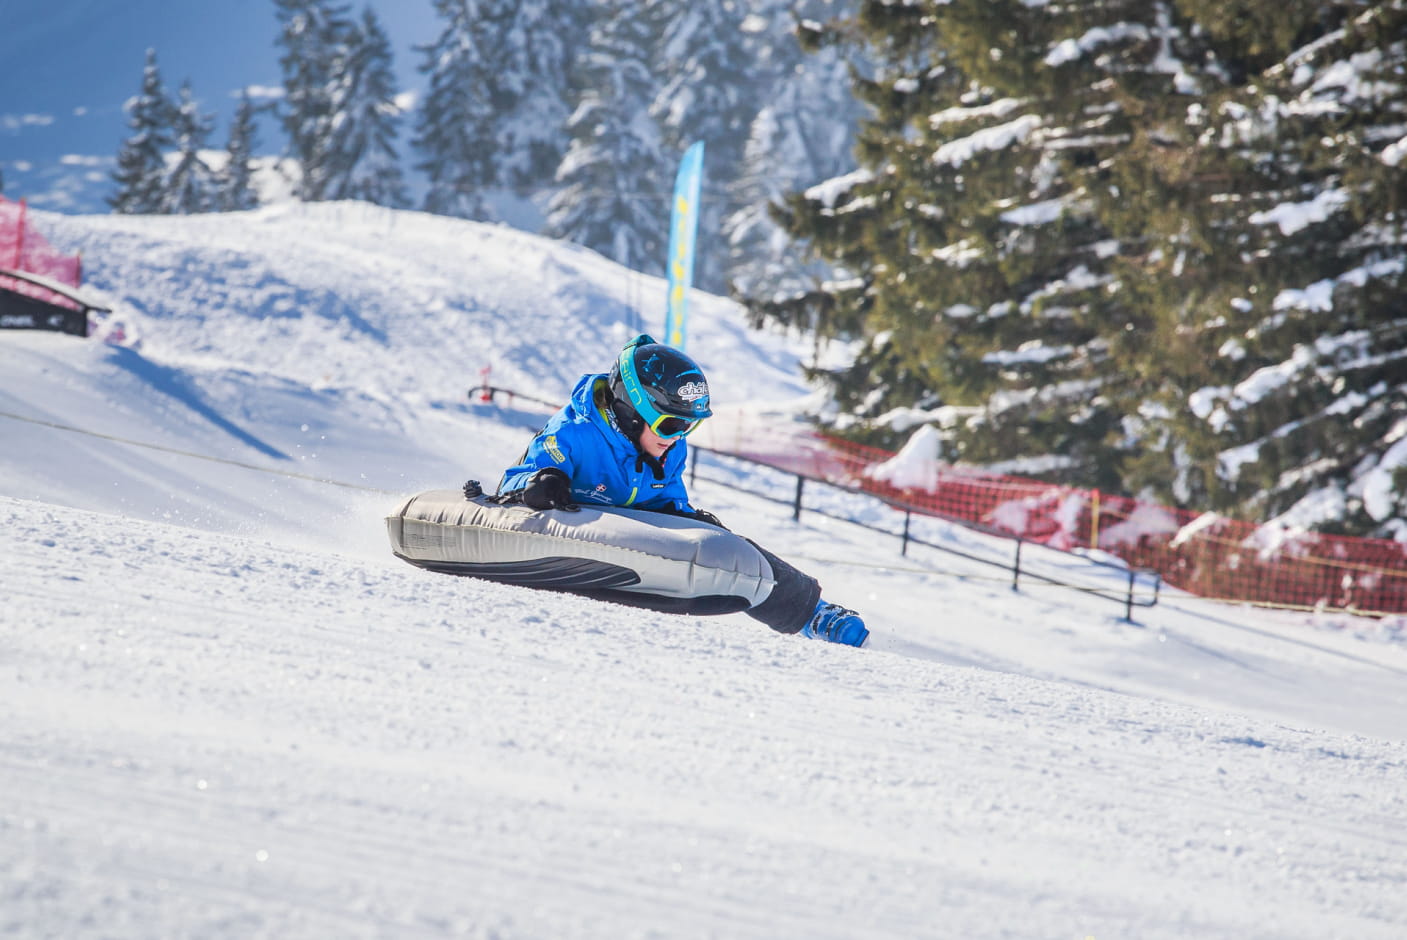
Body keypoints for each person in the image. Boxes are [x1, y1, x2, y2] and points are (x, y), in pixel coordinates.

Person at [497, 334, 868, 647]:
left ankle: (813, 613)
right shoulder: (575, 431)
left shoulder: (667, 448)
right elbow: (519, 479)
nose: (678, 438)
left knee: (731, 545)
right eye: (671, 424)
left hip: (626, 537)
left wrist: (688, 518)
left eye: (687, 427)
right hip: (566, 529)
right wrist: (545, 482)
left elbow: (664, 501)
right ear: (631, 411)